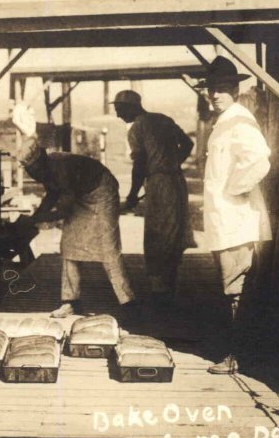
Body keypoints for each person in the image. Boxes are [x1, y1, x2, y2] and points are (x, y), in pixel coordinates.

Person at [12, 105, 138, 318]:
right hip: (80, 193)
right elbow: (52, 193)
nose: (31, 172)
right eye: (28, 169)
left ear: (40, 160)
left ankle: (127, 301)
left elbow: (64, 208)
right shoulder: (43, 168)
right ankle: (71, 301)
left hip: (101, 191)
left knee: (107, 247)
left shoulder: (58, 168)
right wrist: (37, 216)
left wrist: (41, 219)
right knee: (69, 245)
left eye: (32, 168)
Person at [197, 56, 272, 375]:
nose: (216, 94)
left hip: (236, 219)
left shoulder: (239, 120)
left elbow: (259, 160)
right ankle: (237, 350)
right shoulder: (224, 120)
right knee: (231, 287)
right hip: (224, 220)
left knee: (236, 290)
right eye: (212, 88)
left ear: (236, 89)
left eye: (223, 88)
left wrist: (234, 189)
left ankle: (239, 355)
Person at [115, 90, 195, 307]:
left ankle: (161, 295)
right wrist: (172, 164)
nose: (118, 115)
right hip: (177, 182)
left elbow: (139, 164)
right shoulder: (163, 119)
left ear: (131, 107)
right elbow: (188, 144)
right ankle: (169, 287)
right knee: (173, 234)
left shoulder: (136, 128)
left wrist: (132, 195)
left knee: (157, 235)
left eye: (120, 110)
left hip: (159, 185)